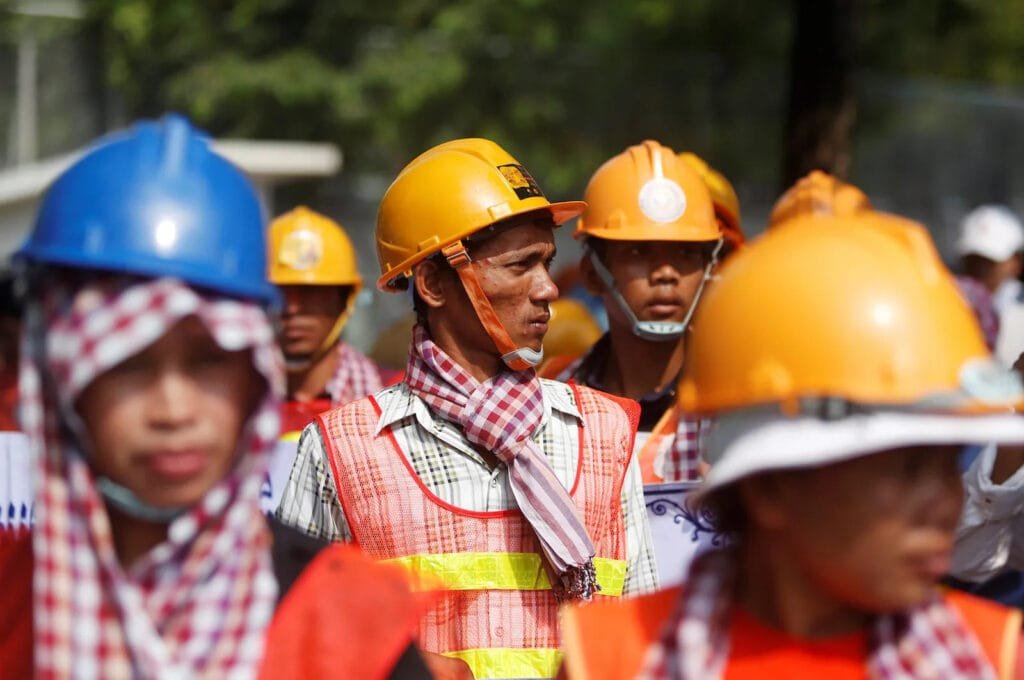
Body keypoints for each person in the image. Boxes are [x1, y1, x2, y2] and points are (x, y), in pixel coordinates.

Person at [0, 115, 448, 679]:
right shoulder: (10, 605)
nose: (174, 410)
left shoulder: (352, 629)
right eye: (128, 364)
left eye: (210, 360)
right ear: (62, 378)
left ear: (254, 377)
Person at [561, 209, 1024, 679]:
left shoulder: (996, 657)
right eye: (907, 469)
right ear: (771, 487)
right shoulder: (607, 658)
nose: (948, 502)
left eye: (948, 465)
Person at [277, 138, 658, 680]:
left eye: (547, 263)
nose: (549, 288)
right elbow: (299, 652)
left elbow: (646, 646)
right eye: (520, 265)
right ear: (433, 283)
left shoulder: (604, 435)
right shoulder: (343, 450)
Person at [538, 140, 723, 585]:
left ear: (710, 266)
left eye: (686, 253)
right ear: (590, 272)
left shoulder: (742, 401)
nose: (666, 273)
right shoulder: (549, 396)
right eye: (639, 251)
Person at [264, 206, 387, 514]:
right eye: (278, 292)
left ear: (343, 299)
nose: (290, 309)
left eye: (308, 292)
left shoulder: (390, 404)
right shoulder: (231, 403)